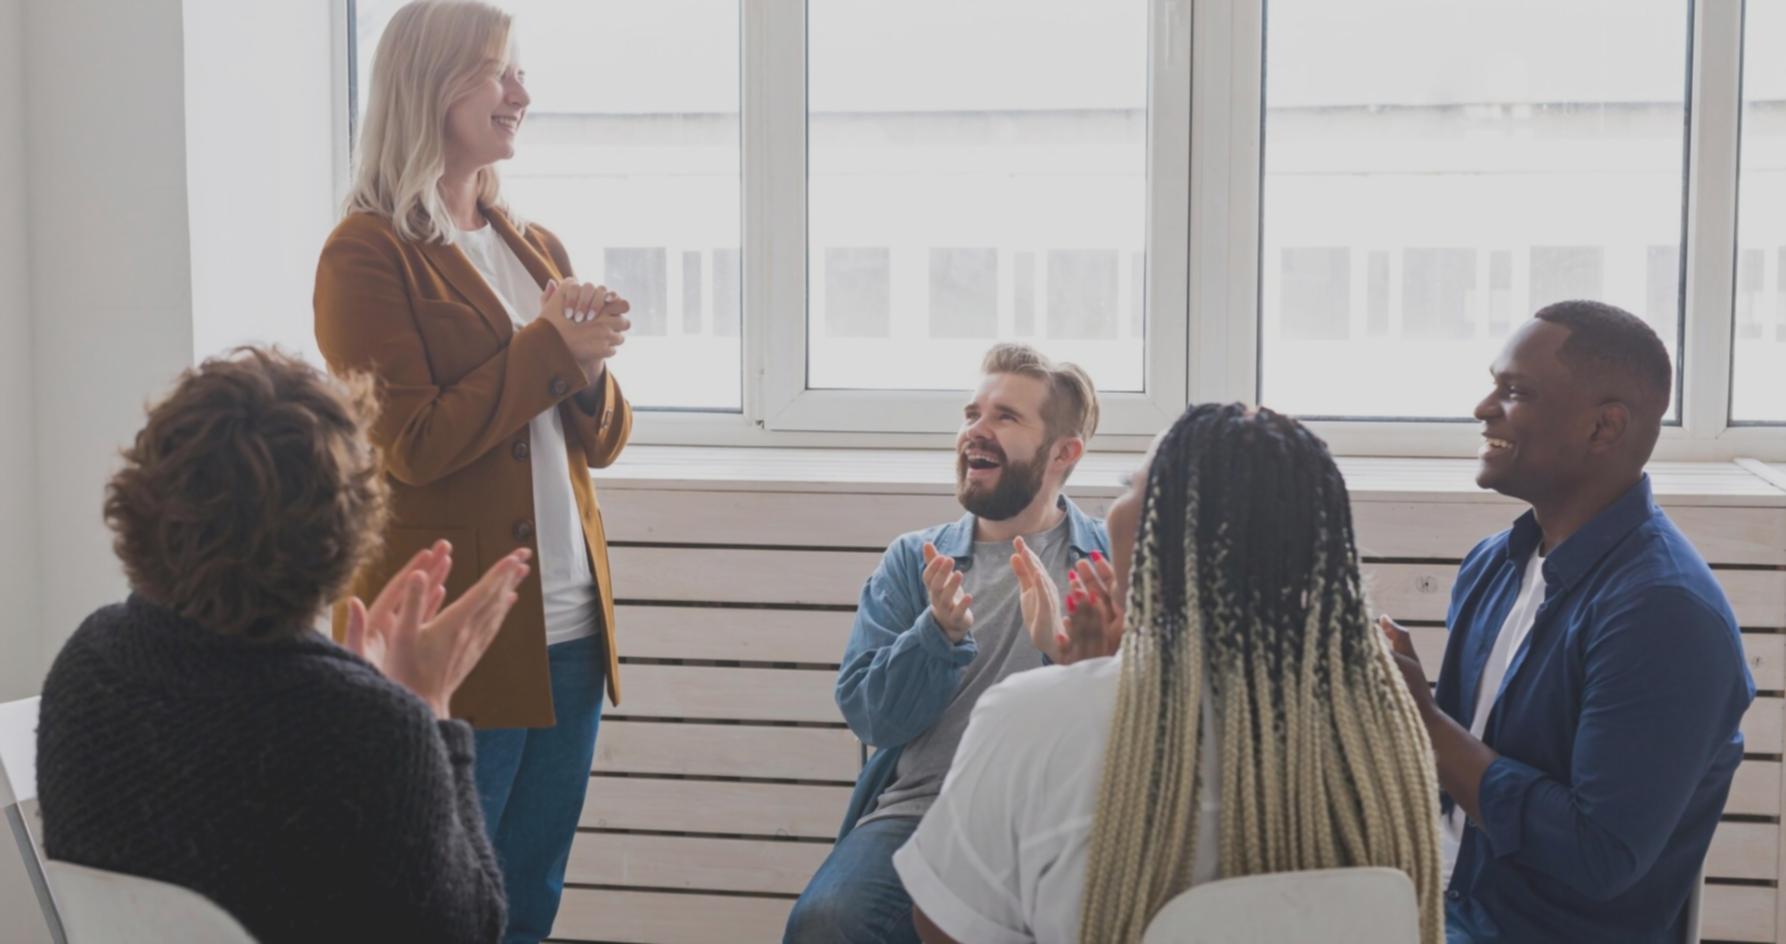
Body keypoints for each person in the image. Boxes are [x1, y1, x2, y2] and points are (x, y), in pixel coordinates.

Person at [893, 403, 1445, 944]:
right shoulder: (1384, 733)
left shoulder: (1038, 719)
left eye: (1130, 484)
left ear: (1164, 534)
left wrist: (1083, 691)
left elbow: (944, 927)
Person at [314, 3, 633, 939]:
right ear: (434, 84)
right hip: (448, 631)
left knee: (527, 894)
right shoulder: (366, 252)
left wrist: (589, 367)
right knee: (437, 905)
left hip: (569, 626)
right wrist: (549, 350)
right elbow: (407, 442)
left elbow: (600, 441)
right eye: (500, 72)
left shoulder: (533, 245)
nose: (521, 94)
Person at [36, 347, 530, 944]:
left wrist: (361, 687)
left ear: (144, 497)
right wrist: (429, 710)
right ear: (342, 533)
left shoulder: (88, 664)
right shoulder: (374, 731)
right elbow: (469, 931)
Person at [1377, 301, 1755, 944]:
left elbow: (1596, 854)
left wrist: (1427, 723)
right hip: (1440, 900)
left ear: (1604, 428)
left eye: (1515, 391)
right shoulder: (1493, 565)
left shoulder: (1664, 614)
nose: (1483, 408)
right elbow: (1461, 785)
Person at [782, 344, 1110, 944]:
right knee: (828, 921)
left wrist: (1066, 654)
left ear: (1064, 452)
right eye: (970, 413)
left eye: (1005, 417)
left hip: (1069, 818)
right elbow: (871, 717)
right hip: (925, 813)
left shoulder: (1108, 558)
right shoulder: (915, 561)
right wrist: (937, 636)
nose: (974, 432)